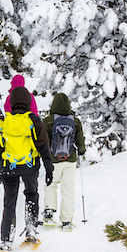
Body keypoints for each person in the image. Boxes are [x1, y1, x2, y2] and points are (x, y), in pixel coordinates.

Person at [0, 85, 48, 252]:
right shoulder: (34, 120)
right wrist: (49, 167)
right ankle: (31, 233)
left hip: (9, 167)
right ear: (28, 102)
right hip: (29, 166)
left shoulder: (3, 121)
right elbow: (44, 145)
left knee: (9, 201)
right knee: (31, 195)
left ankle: (6, 241)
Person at [43, 92, 87, 230]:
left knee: (51, 185)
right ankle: (66, 221)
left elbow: (44, 140)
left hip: (53, 160)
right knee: (68, 189)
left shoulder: (48, 120)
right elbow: (80, 140)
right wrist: (81, 150)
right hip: (70, 160)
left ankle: (49, 211)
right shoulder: (75, 121)